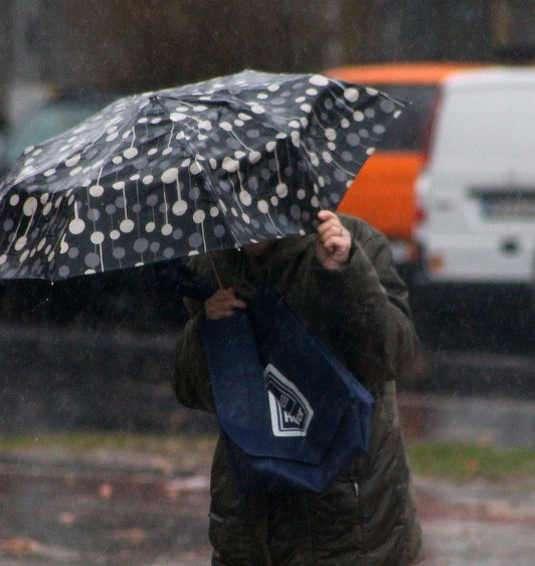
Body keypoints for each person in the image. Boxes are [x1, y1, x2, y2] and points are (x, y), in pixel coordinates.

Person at [173, 209, 425, 565]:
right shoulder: (212, 262)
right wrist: (208, 331)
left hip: (351, 525)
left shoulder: (351, 241)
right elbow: (192, 390)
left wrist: (345, 273)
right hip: (251, 527)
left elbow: (393, 356)